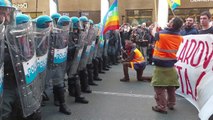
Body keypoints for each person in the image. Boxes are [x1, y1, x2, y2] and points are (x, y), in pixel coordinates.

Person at [3, 12, 42, 119]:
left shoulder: (14, 35)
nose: (5, 18)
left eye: (7, 14)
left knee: (33, 111)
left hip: (22, 81)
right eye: (1, 13)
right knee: (5, 114)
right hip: (5, 84)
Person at [151, 17, 183, 114]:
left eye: (170, 20)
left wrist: (155, 25)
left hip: (161, 66)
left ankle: (161, 106)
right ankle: (171, 104)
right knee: (171, 86)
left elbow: (152, 32)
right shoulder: (179, 37)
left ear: (172, 24)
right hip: (171, 65)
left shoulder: (161, 34)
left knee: (159, 87)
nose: (168, 21)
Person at [46, 15, 71, 115]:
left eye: (50, 23)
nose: (50, 26)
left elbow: (62, 46)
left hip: (57, 63)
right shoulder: (38, 36)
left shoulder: (58, 34)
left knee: (59, 83)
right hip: (45, 65)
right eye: (47, 24)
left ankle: (62, 104)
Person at [66, 16, 89, 103]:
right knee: (73, 76)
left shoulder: (78, 33)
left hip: (75, 58)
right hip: (69, 59)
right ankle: (77, 96)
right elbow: (70, 47)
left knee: (73, 76)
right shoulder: (70, 35)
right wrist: (77, 46)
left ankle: (73, 92)